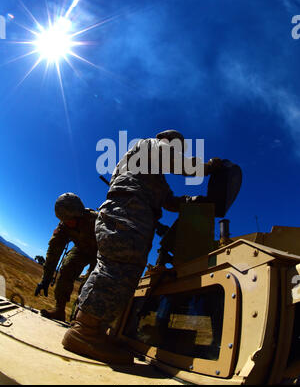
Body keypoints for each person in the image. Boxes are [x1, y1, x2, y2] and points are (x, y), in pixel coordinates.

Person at [62, 130, 222, 364]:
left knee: (120, 271)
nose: (176, 151)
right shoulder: (150, 145)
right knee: (117, 270)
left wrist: (195, 202)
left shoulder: (154, 175)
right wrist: (208, 167)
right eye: (176, 147)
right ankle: (84, 332)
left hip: (131, 217)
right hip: (126, 213)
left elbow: (169, 201)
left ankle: (93, 329)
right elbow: (178, 162)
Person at [35, 193, 98, 322]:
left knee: (91, 283)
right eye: (64, 220)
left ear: (79, 214)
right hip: (81, 250)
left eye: (70, 219)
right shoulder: (64, 226)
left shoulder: (97, 221)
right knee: (67, 267)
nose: (67, 223)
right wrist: (46, 279)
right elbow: (53, 251)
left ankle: (81, 320)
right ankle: (59, 310)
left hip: (101, 254)